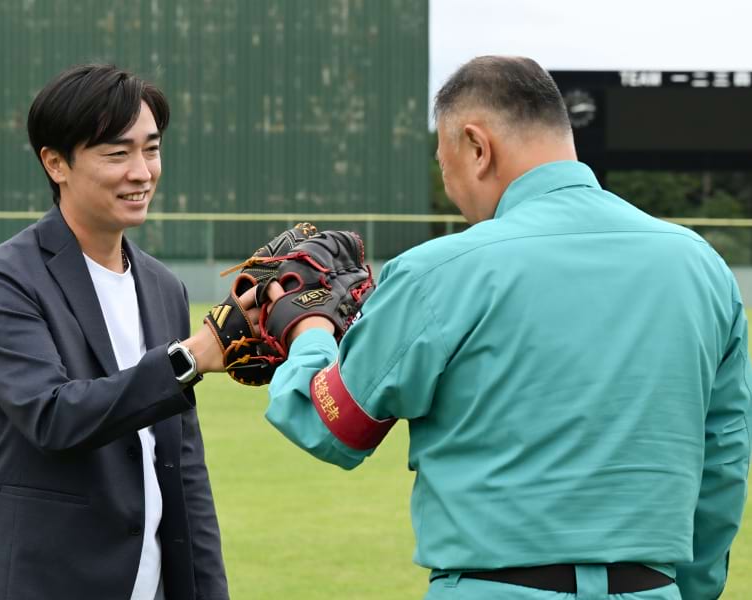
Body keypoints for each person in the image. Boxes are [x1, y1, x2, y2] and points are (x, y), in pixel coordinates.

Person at [263, 56, 751, 599]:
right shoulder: (703, 267)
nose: (450, 186)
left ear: (476, 146)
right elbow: (723, 463)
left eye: (444, 162)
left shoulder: (438, 270)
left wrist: (306, 329)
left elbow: (334, 426)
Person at [0, 64, 232, 600]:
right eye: (116, 153)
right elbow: (54, 416)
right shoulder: (1, 281)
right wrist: (189, 358)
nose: (142, 171)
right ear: (55, 163)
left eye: (150, 149)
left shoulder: (162, 286)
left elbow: (182, 466)